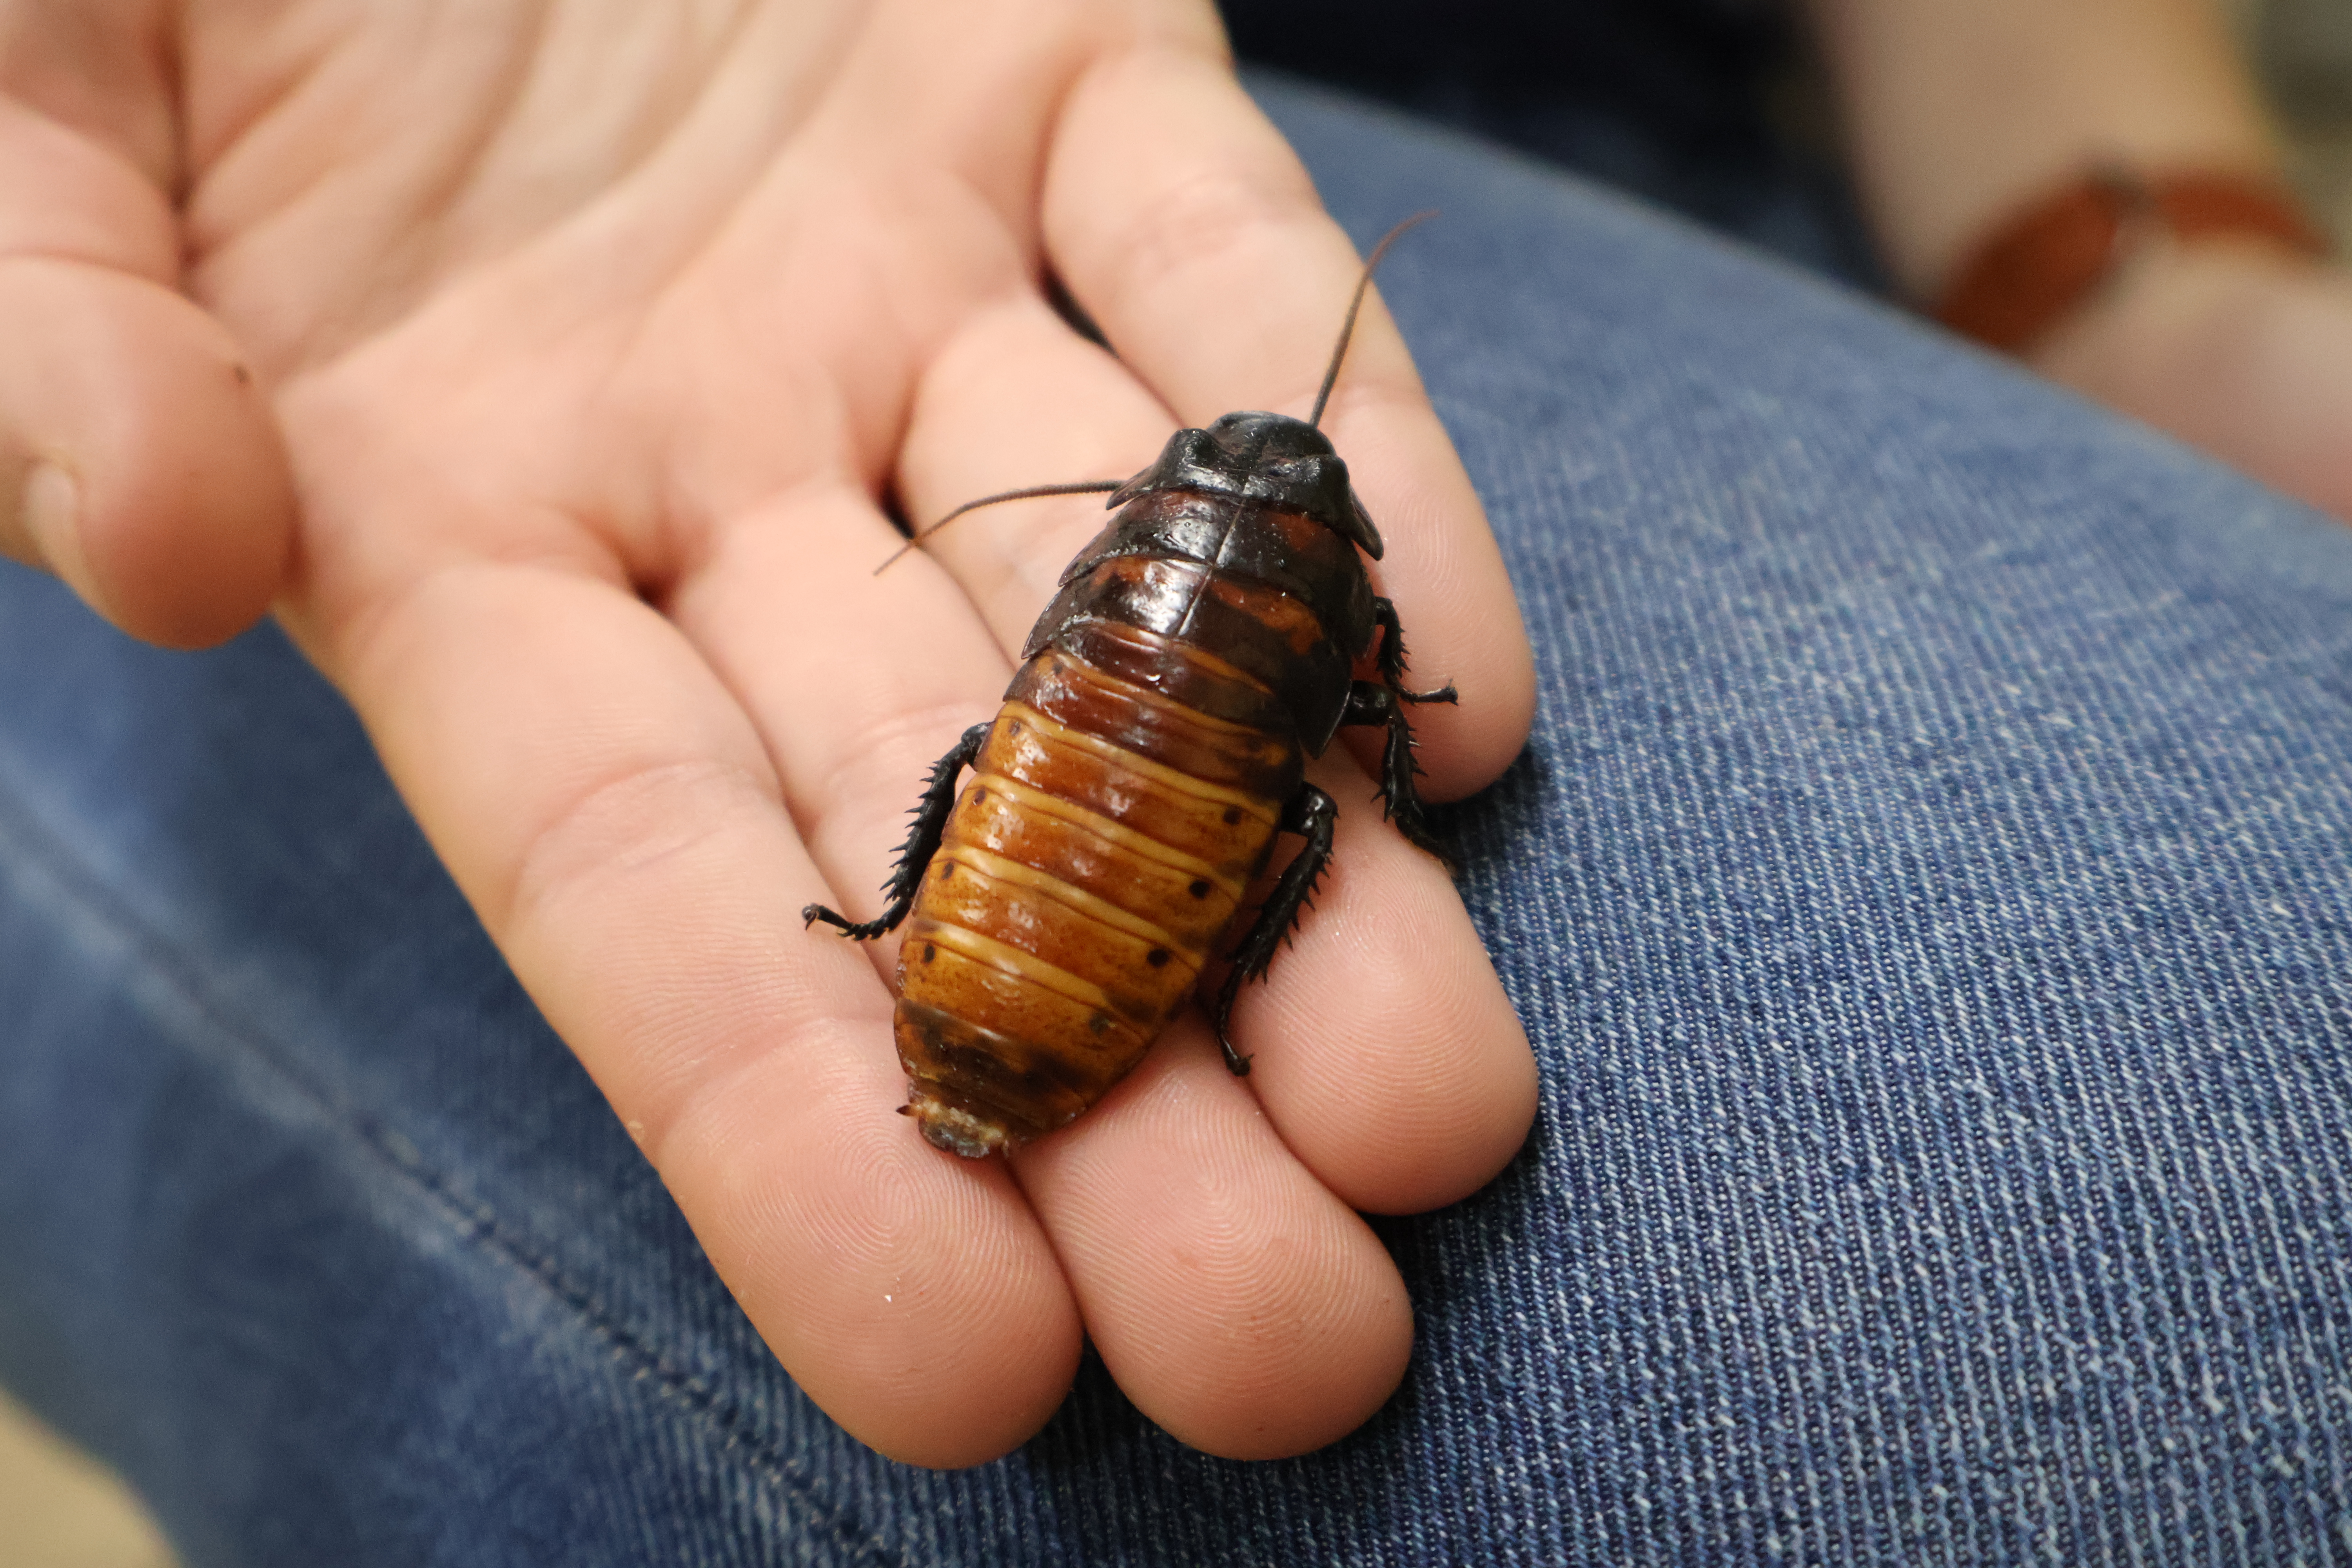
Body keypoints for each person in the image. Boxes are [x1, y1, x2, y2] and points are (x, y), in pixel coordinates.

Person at [0, 1, 2344, 1562]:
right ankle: (999, 1009)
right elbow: (1361, 715)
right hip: (1091, 757)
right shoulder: (1320, 608)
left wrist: (2104, 205)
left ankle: (980, 990)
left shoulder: (1146, 570)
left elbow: (1331, 716)